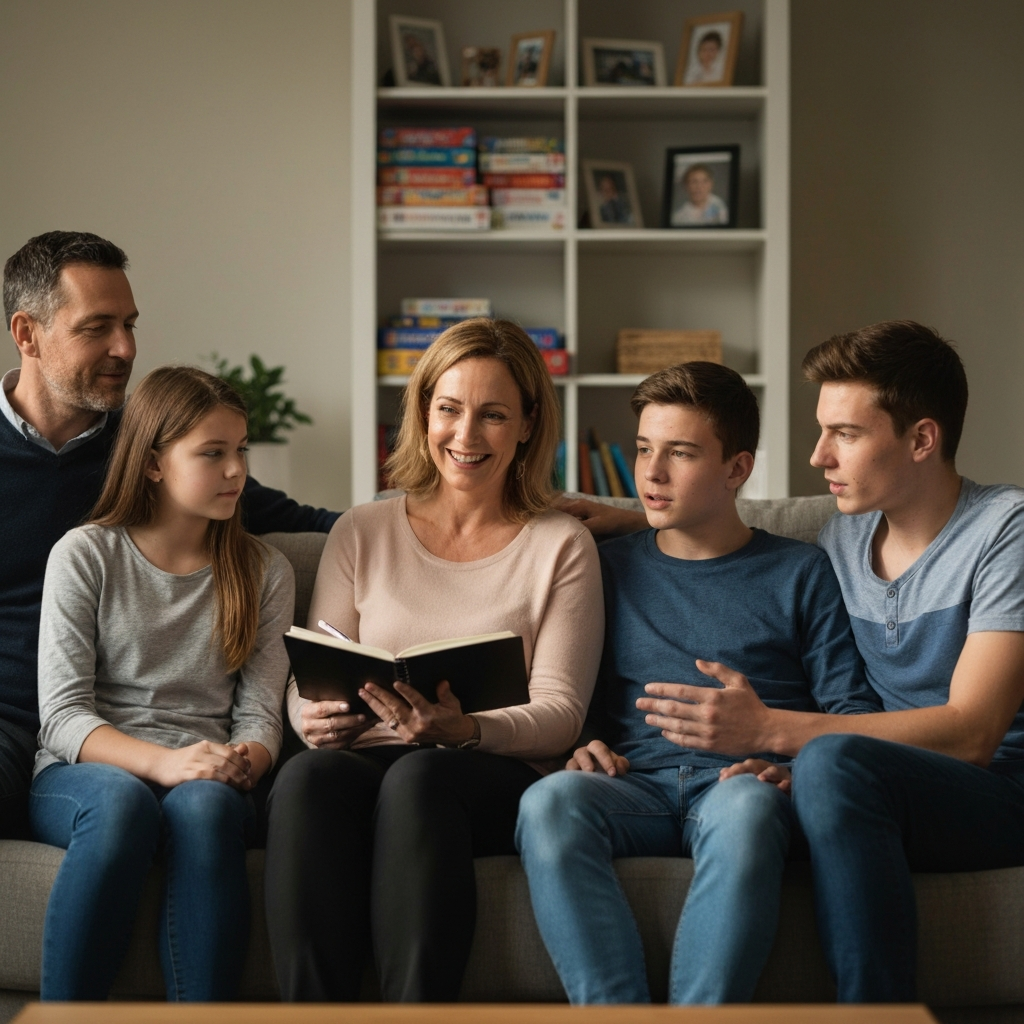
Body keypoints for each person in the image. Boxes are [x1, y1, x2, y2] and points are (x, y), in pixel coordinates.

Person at [628, 322, 1024, 1002]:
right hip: (865, 787)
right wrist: (611, 519)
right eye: (822, 431)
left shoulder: (1003, 529)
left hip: (995, 794)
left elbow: (972, 734)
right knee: (809, 775)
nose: (818, 457)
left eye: (845, 433)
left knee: (832, 758)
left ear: (922, 439)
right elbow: (715, 526)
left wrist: (773, 732)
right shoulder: (842, 534)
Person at [515, 362, 879, 1005]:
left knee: (745, 810)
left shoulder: (801, 570)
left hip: (740, 785)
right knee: (548, 803)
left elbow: (849, 707)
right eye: (644, 449)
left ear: (737, 469)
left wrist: (794, 770)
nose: (650, 474)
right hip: (635, 785)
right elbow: (573, 684)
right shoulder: (603, 566)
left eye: (680, 453)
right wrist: (588, 739)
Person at [264, 318, 604, 1002]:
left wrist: (466, 730)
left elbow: (562, 714)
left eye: (493, 415)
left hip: (487, 772)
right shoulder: (362, 529)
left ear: (529, 425)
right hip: (369, 754)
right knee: (306, 782)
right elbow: (315, 669)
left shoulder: (561, 545)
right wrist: (313, 718)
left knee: (420, 779)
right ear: (423, 414)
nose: (466, 436)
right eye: (448, 409)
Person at [0, 230, 338, 839]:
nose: (125, 347)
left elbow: (312, 523)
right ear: (28, 334)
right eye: (97, 327)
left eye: (129, 324)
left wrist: (501, 504)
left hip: (106, 726)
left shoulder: (157, 452)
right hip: (19, 722)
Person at [30, 365, 295, 1001]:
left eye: (241, 451)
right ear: (152, 464)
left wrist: (242, 763)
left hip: (205, 773)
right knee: (121, 805)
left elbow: (260, 715)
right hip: (86, 772)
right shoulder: (85, 554)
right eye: (213, 453)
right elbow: (62, 717)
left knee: (206, 809)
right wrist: (166, 763)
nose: (237, 471)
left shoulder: (265, 571)